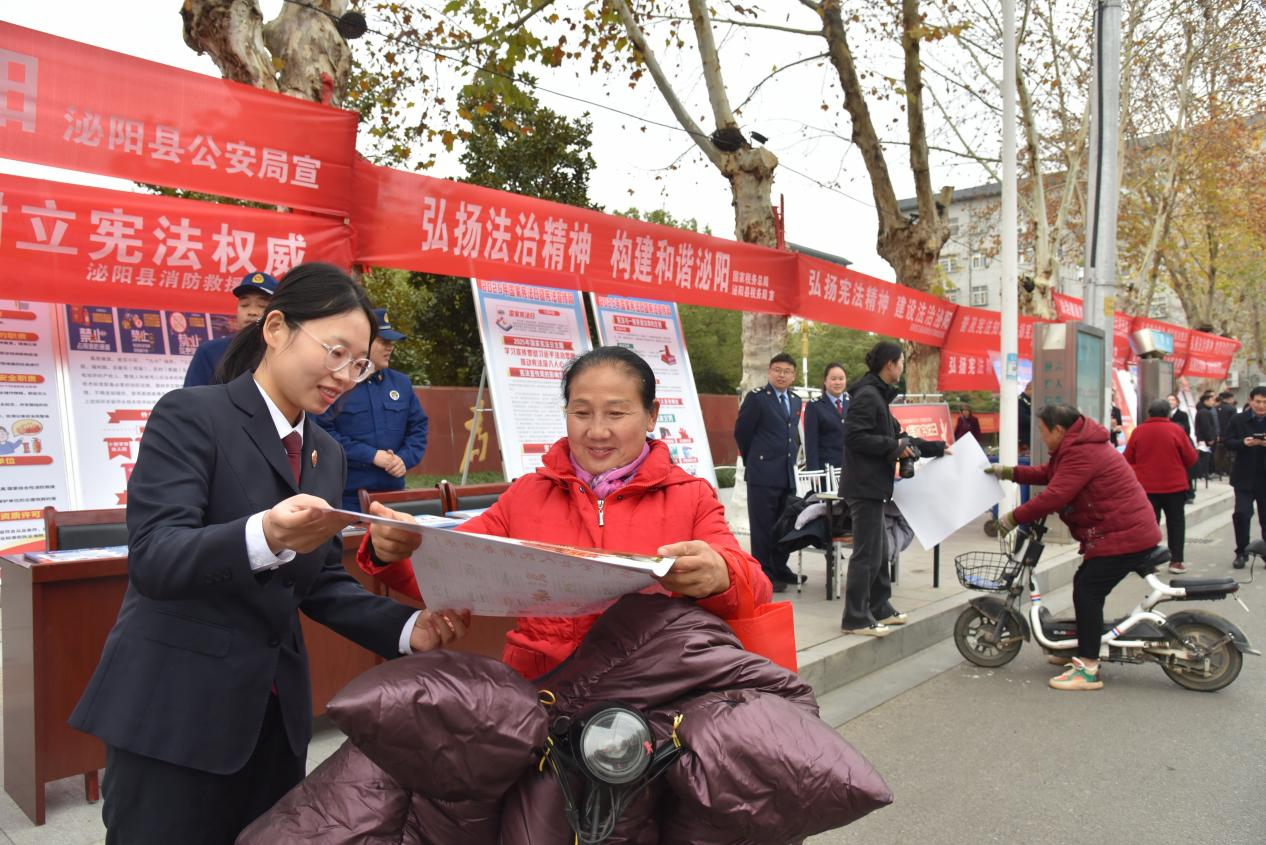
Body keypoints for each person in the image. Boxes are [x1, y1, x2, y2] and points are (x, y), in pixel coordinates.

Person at [69, 263, 471, 843]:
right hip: (175, 716)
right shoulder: (191, 416)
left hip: (273, 721)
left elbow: (322, 581)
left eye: (358, 364)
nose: (345, 376)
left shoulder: (324, 453)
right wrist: (266, 535)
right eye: (334, 352)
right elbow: (156, 556)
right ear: (277, 329)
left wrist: (411, 630)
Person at [357, 345, 773, 679]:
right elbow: (450, 572)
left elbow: (754, 587)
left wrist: (720, 573)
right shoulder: (526, 496)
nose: (596, 431)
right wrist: (397, 549)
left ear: (651, 416)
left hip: (654, 689)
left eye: (616, 413)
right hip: (542, 690)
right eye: (581, 412)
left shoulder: (689, 496)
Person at [987, 404, 1161, 691]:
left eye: (1042, 431)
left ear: (1058, 429)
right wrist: (1009, 472)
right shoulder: (1077, 445)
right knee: (1085, 585)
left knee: (1087, 590)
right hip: (1120, 531)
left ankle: (1089, 666)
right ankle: (1082, 646)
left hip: (1123, 535)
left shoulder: (1081, 451)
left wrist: (1012, 518)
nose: (1041, 437)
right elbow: (1050, 474)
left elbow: (1055, 494)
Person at [840, 341, 946, 637]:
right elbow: (854, 437)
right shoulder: (867, 396)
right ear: (890, 365)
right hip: (864, 486)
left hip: (875, 485)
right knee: (867, 552)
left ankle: (880, 606)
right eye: (901, 362)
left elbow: (902, 437)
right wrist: (893, 448)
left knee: (880, 548)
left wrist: (937, 448)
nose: (902, 367)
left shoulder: (878, 397)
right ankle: (856, 617)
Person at [315, 309, 429, 509]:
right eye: (384, 342)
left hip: (393, 497)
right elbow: (322, 432)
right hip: (348, 498)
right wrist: (371, 455)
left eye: (392, 343)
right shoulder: (339, 382)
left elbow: (418, 427)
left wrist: (403, 459)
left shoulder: (400, 384)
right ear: (364, 343)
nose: (390, 348)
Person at [734, 353, 803, 592]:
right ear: (769, 372)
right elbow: (742, 432)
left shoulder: (795, 400)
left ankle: (780, 567)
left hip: (786, 473)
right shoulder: (757, 398)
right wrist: (754, 459)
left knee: (784, 526)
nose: (782, 374)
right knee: (763, 527)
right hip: (762, 474)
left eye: (787, 371)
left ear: (793, 375)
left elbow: (792, 434)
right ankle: (764, 574)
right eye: (777, 370)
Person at [1124, 400, 1198, 574]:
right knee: (1176, 523)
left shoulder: (1139, 431)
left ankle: (1149, 561)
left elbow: (1127, 458)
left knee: (1149, 524)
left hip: (1147, 487)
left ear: (1150, 413)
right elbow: (1191, 458)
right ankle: (1176, 561)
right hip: (1175, 487)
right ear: (1168, 413)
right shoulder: (1176, 430)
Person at [183, 271, 279, 387]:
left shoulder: (284, 353)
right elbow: (190, 401)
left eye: (262, 306)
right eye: (244, 305)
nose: (252, 312)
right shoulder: (209, 352)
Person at [1225, 385, 1266, 569]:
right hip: (1244, 477)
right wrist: (1244, 443)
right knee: (1242, 514)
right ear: (1250, 401)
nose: (1261, 406)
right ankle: (1242, 551)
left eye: (1265, 402)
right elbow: (1227, 442)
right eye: (1258, 402)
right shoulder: (1238, 419)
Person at [803, 362, 848, 472]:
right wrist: (813, 470)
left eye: (841, 378)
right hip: (827, 470)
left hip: (851, 468)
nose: (837, 382)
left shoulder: (854, 403)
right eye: (833, 379)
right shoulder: (814, 406)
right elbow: (811, 442)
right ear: (825, 381)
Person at [1168, 393, 1196, 502]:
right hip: (1168, 446)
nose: (1171, 402)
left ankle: (1189, 494)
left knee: (1185, 470)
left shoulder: (1182, 414)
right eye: (1169, 400)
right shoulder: (1165, 415)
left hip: (1180, 443)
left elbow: (1186, 429)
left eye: (1173, 400)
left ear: (1177, 402)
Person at [1216, 390, 1238, 477]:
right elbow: (1234, 422)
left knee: (1218, 454)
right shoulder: (1232, 408)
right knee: (1229, 454)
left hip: (1218, 434)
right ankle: (1228, 470)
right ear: (1229, 399)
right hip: (1228, 434)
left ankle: (1218, 470)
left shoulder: (1216, 407)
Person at [1018, 381, 1033, 453]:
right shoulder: (1020, 401)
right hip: (1024, 439)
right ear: (1029, 389)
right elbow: (1023, 419)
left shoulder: (1031, 401)